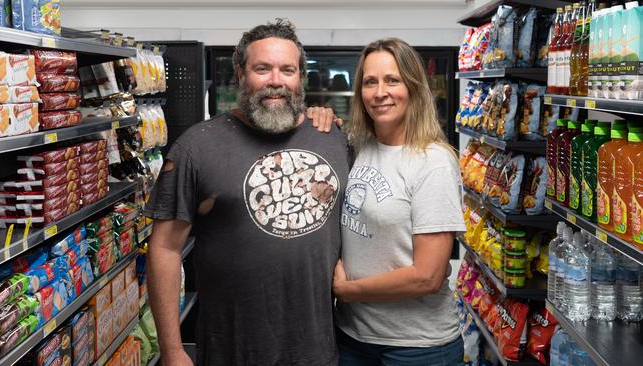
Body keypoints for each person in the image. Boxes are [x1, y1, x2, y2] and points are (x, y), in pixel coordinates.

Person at [144, 19, 349, 366]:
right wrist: (172, 350)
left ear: (301, 77)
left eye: (288, 70)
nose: (276, 81)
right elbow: (164, 249)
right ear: (240, 74)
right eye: (262, 69)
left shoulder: (333, 138)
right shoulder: (197, 147)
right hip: (232, 350)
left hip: (318, 350)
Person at [330, 38, 466, 365]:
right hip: (353, 337)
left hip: (417, 347)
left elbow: (428, 276)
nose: (380, 92)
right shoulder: (358, 147)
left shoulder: (431, 162)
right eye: (370, 82)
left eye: (392, 80)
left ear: (414, 88)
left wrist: (347, 291)